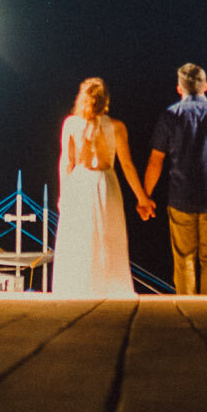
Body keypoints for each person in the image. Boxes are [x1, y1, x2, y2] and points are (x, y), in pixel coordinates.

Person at [142, 62, 207, 295]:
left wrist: (145, 196)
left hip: (181, 199)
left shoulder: (170, 115)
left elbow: (155, 160)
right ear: (205, 86)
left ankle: (186, 317)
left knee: (184, 261)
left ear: (179, 88)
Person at [53, 77, 152, 297]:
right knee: (108, 237)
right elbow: (127, 165)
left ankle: (79, 287)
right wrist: (142, 199)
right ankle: (108, 286)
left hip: (79, 183)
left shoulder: (70, 124)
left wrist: (64, 193)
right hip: (106, 183)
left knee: (80, 236)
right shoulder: (116, 127)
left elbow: (66, 162)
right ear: (105, 100)